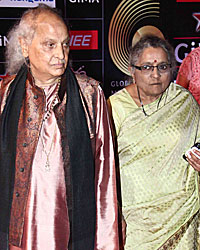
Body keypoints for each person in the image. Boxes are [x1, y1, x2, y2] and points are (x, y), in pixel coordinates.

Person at [0, 4, 119, 250]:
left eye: (65, 44)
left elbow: (104, 179)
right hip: (16, 236)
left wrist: (106, 244)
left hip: (70, 236)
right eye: (50, 45)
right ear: (24, 46)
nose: (61, 55)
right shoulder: (4, 96)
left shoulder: (90, 95)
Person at [108, 35, 200, 250]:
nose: (156, 75)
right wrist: (113, 214)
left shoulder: (183, 101)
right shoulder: (114, 107)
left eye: (163, 67)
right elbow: (104, 169)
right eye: (147, 67)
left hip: (183, 216)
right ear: (133, 70)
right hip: (137, 221)